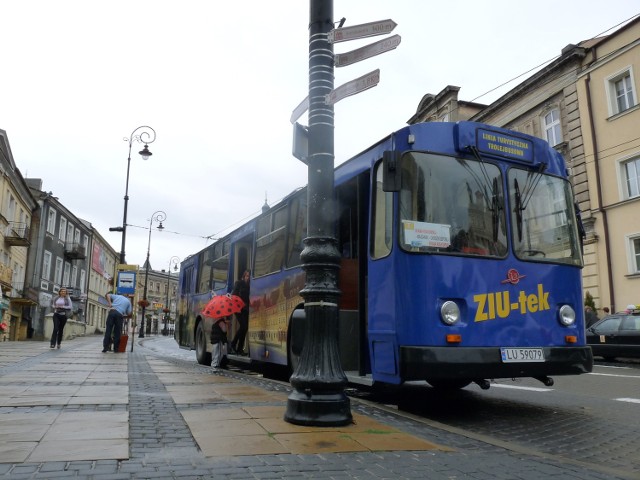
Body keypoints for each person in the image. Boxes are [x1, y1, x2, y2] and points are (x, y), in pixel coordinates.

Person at [230, 270, 250, 355]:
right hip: (238, 308)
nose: (248, 278)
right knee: (243, 326)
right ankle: (233, 343)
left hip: (245, 309)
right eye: (247, 276)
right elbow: (234, 295)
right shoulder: (239, 283)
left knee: (245, 328)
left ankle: (239, 349)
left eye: (249, 276)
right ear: (244, 276)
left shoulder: (250, 285)